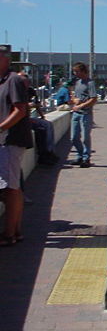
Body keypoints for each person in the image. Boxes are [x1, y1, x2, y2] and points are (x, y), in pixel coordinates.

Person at [0, 45, 33, 246]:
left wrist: (1, 128)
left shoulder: (13, 80)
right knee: (11, 187)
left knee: (10, 188)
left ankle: (9, 233)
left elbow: (19, 110)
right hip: (6, 140)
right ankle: (15, 231)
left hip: (10, 141)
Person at [18, 72, 58, 166]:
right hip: (21, 119)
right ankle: (45, 155)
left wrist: (42, 116)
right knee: (41, 129)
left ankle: (49, 152)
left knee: (47, 125)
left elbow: (37, 104)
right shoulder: (16, 90)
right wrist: (27, 106)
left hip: (28, 117)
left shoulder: (31, 90)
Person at [69, 62, 97, 168]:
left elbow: (93, 99)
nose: (75, 73)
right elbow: (74, 96)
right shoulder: (77, 82)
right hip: (76, 113)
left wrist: (81, 105)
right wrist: (74, 100)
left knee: (85, 137)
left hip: (85, 113)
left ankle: (86, 158)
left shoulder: (90, 83)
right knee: (73, 137)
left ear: (83, 71)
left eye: (77, 71)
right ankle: (80, 154)